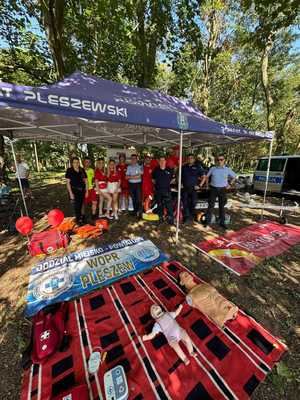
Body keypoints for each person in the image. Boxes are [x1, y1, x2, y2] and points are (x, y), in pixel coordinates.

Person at [200, 154, 236, 229]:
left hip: (222, 189)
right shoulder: (213, 168)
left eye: (221, 159)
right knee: (210, 206)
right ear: (216, 161)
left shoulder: (227, 169)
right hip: (213, 189)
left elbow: (235, 176)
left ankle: (222, 223)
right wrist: (206, 185)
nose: (219, 161)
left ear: (224, 160)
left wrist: (229, 184)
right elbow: (207, 176)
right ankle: (207, 222)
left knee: (221, 207)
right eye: (218, 160)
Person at [181, 154, 205, 222]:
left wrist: (200, 185)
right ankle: (186, 216)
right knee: (185, 202)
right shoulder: (184, 167)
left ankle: (191, 215)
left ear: (194, 159)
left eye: (191, 158)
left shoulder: (198, 167)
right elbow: (180, 176)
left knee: (193, 202)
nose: (190, 159)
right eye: (188, 158)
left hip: (194, 188)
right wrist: (181, 183)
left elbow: (204, 176)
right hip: (185, 188)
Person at [152, 156, 174, 225]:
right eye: (160, 161)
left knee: (169, 206)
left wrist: (166, 183)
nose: (162, 162)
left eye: (163, 160)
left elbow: (173, 179)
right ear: (159, 162)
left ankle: (170, 219)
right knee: (159, 205)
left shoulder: (169, 170)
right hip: (158, 191)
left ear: (165, 161)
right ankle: (160, 218)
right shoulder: (156, 170)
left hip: (167, 190)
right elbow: (153, 179)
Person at [65, 157, 88, 225]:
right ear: (72, 163)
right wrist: (71, 193)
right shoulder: (69, 170)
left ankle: (82, 218)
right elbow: (68, 182)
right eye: (74, 162)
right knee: (76, 207)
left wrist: (87, 191)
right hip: (74, 191)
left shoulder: (82, 170)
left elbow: (86, 181)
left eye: (77, 162)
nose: (76, 164)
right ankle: (78, 221)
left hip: (82, 191)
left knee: (81, 205)